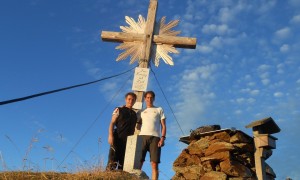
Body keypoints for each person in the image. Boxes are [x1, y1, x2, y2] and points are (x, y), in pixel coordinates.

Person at [138, 91, 166, 180]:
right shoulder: (141, 111)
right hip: (142, 137)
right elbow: (137, 125)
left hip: (155, 138)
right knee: (139, 162)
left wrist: (162, 138)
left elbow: (163, 126)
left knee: (154, 164)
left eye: (151, 97)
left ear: (153, 99)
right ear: (145, 99)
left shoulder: (159, 109)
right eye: (147, 97)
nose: (149, 99)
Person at [106, 92, 137, 170]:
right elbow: (112, 123)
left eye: (133, 100)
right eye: (129, 99)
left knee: (122, 165)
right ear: (126, 100)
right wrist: (110, 135)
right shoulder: (118, 109)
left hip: (128, 142)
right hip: (117, 138)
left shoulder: (134, 114)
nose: (131, 101)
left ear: (135, 101)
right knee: (112, 162)